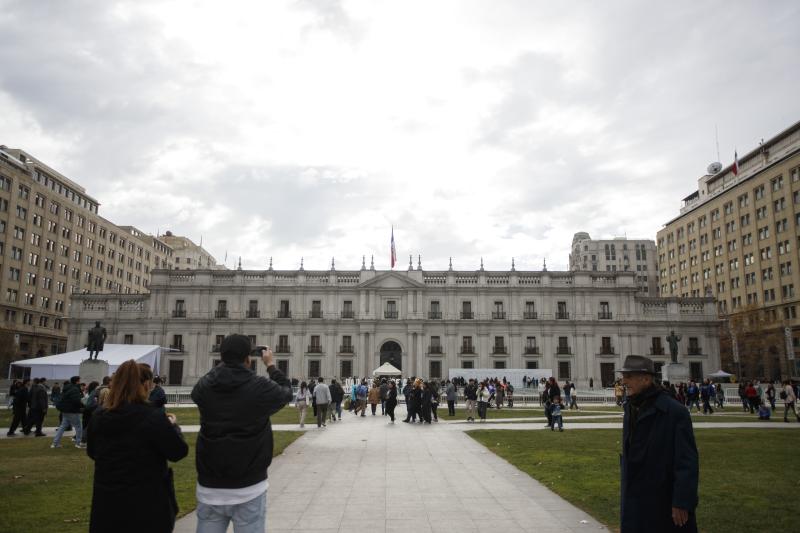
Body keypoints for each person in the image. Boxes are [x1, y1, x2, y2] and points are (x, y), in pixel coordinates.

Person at [191, 335, 292, 533]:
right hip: (249, 487)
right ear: (248, 359)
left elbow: (197, 391)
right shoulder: (259, 388)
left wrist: (224, 365)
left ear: (221, 358)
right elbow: (286, 392)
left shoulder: (205, 387)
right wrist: (270, 365)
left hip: (210, 487)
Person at [86, 360, 189, 533]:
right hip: (147, 504)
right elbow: (178, 451)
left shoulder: (99, 416)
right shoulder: (152, 416)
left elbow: (92, 452)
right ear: (146, 385)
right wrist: (172, 426)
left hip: (108, 502)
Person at [619, 355, 698, 533]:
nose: (624, 381)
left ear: (646, 379)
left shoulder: (674, 412)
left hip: (662, 497)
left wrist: (682, 501)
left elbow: (686, 461)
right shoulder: (630, 408)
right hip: (635, 497)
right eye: (624, 376)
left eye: (629, 376)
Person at [51, 376, 85, 448]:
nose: (80, 382)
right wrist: (83, 406)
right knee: (79, 427)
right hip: (72, 410)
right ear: (76, 381)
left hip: (65, 410)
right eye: (79, 381)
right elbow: (76, 401)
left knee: (62, 427)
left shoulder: (67, 388)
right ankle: (78, 443)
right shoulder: (75, 389)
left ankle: (55, 443)